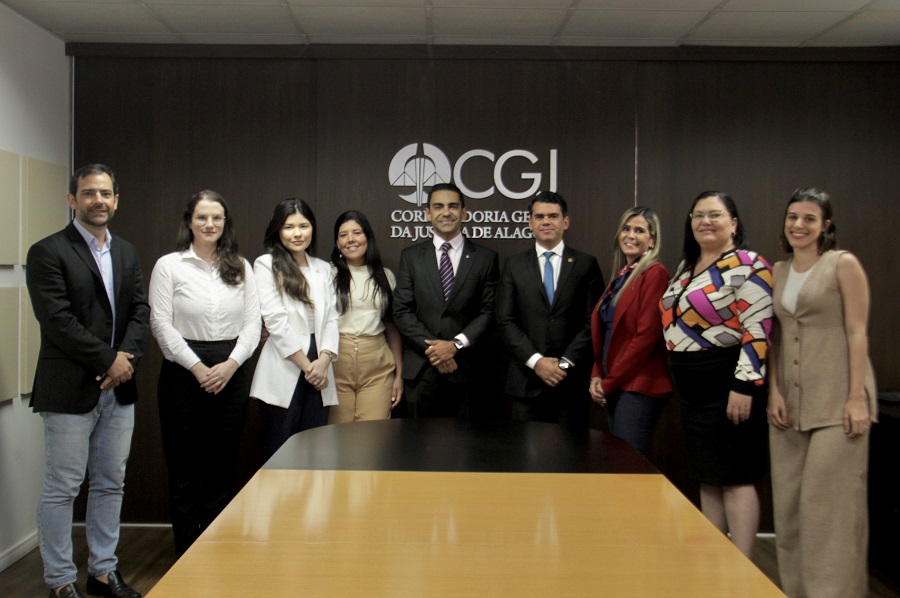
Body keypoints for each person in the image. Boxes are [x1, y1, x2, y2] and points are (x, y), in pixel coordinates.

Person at [26, 164, 149, 598]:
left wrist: (125, 359)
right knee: (63, 487)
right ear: (72, 200)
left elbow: (140, 311)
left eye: (105, 193)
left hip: (119, 389)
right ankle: (61, 581)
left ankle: (102, 573)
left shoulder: (127, 252)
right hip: (68, 388)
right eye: (88, 193)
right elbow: (57, 320)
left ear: (116, 200)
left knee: (111, 483)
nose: (98, 200)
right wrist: (109, 360)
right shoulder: (47, 251)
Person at [766, 188, 877, 598]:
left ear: (826, 225)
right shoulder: (778, 270)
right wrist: (774, 392)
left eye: (809, 218)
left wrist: (856, 398)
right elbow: (774, 338)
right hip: (789, 405)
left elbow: (858, 331)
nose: (798, 225)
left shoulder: (842, 264)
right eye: (792, 217)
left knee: (828, 510)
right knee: (790, 508)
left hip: (837, 402)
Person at [660, 190, 773, 558]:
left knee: (735, 478)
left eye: (715, 215)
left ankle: (743, 566)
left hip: (729, 385)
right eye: (698, 215)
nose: (705, 222)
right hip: (693, 390)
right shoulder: (686, 267)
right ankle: (716, 562)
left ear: (734, 223)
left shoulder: (749, 264)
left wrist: (744, 386)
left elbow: (758, 330)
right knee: (708, 477)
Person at [148, 190, 261, 556]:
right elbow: (160, 324)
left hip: (232, 371)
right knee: (184, 467)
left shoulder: (241, 266)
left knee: (221, 466)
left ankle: (215, 551)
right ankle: (186, 553)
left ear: (225, 223)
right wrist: (197, 367)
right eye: (202, 217)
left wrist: (231, 365)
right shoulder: (169, 266)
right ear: (189, 222)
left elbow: (253, 325)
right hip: (183, 373)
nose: (209, 224)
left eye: (217, 218)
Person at [495, 191, 602, 428]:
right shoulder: (514, 265)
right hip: (526, 380)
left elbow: (593, 321)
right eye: (539, 216)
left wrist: (563, 364)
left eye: (553, 216)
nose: (546, 221)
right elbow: (504, 320)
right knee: (524, 450)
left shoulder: (586, 264)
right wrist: (536, 362)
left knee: (572, 449)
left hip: (570, 381)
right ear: (530, 223)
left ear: (565, 222)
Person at [392, 183, 499, 418]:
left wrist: (454, 345)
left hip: (467, 369)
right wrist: (436, 351)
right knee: (418, 439)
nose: (446, 212)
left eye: (453, 206)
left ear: (464, 212)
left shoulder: (486, 258)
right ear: (428, 213)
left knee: (466, 441)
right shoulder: (411, 257)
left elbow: (489, 312)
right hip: (422, 368)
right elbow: (401, 311)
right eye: (438, 206)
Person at [250, 199, 339, 461]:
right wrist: (309, 367)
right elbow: (275, 321)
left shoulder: (324, 268)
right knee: (280, 449)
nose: (297, 233)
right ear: (277, 230)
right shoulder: (266, 264)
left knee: (315, 450)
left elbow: (332, 318)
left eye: (303, 226)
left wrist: (324, 359)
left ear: (313, 228)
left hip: (320, 361)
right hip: (287, 359)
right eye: (289, 227)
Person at [589, 207, 672, 460]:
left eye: (640, 230)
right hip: (616, 384)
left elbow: (646, 337)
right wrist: (597, 374)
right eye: (626, 229)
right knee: (617, 463)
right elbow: (606, 333)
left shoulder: (655, 273)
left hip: (638, 386)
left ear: (652, 240)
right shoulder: (622, 276)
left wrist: (609, 382)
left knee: (629, 466)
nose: (631, 235)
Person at [329, 211, 403, 423]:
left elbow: (392, 327)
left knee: (372, 435)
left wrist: (399, 375)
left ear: (368, 238)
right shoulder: (327, 274)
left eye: (357, 233)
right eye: (343, 235)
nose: (350, 239)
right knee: (337, 435)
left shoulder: (385, 276)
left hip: (377, 368)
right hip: (335, 366)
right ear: (337, 243)